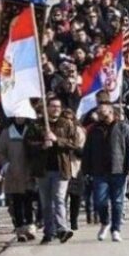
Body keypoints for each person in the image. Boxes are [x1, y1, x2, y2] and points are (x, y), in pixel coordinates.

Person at [27, 96, 81, 244]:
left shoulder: (66, 124)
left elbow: (74, 144)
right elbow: (28, 144)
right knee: (46, 203)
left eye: (58, 106)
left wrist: (58, 140)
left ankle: (62, 228)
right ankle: (48, 232)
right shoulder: (37, 125)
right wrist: (42, 145)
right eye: (53, 106)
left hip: (61, 168)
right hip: (43, 169)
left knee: (58, 198)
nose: (56, 109)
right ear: (46, 108)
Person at [83, 103, 129, 242]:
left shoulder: (122, 127)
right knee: (99, 201)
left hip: (118, 169)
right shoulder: (94, 129)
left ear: (111, 112)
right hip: (99, 171)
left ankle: (116, 229)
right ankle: (105, 221)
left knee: (117, 202)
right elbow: (87, 150)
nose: (100, 114)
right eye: (99, 112)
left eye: (103, 111)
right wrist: (86, 170)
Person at [0, 117, 37, 242]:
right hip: (13, 173)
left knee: (29, 201)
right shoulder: (7, 132)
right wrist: (7, 165)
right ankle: (19, 229)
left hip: (29, 172)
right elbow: (0, 152)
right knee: (17, 202)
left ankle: (30, 226)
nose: (20, 117)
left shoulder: (32, 131)